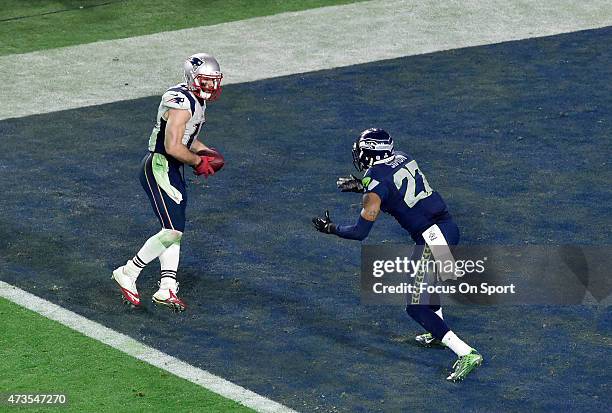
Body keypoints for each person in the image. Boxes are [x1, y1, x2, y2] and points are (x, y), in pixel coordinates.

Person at [312, 128, 482, 381]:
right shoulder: (403, 156)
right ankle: (437, 332)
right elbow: (394, 185)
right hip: (448, 228)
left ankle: (465, 353)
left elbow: (360, 232)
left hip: (431, 239)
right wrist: (363, 185)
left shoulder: (375, 186)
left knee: (415, 307)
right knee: (428, 285)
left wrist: (331, 229)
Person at [112, 53, 223, 312]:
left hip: (172, 168)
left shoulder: (194, 101)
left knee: (174, 229)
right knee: (172, 230)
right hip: (160, 164)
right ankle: (128, 271)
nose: (211, 87)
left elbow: (187, 138)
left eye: (213, 81)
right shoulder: (181, 101)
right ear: (192, 78)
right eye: (205, 81)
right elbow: (173, 146)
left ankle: (167, 287)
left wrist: (206, 151)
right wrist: (198, 162)